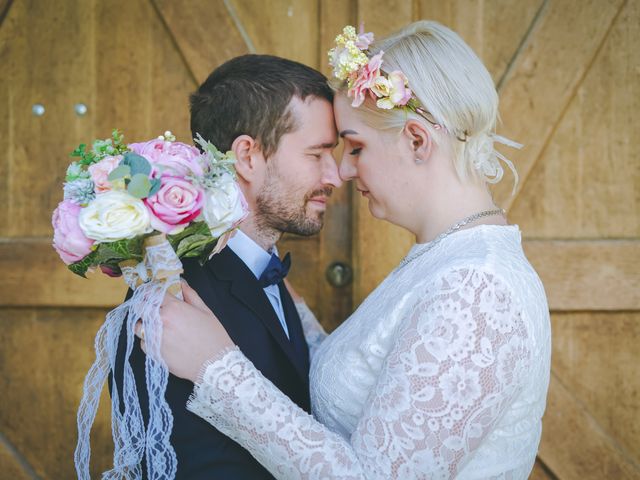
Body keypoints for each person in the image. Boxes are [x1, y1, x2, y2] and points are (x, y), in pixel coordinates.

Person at [141, 21, 552, 479]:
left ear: (417, 140)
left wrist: (217, 370)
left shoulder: (476, 291)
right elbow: (379, 386)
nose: (344, 171)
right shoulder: (449, 261)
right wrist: (298, 319)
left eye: (355, 147)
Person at [113, 54, 341, 479]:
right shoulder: (177, 299)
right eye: (317, 154)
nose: (336, 175)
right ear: (247, 156)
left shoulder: (266, 273)